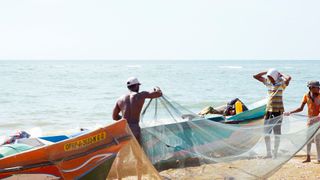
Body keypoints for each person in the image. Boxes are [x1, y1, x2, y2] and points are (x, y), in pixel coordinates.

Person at [253, 68, 291, 158]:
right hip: (268, 111)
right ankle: (269, 153)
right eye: (269, 77)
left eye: (271, 76)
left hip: (278, 111)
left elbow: (289, 78)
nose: (270, 78)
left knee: (277, 133)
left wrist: (280, 74)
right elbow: (255, 76)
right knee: (266, 133)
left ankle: (275, 153)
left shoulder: (281, 84)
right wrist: (267, 72)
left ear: (275, 76)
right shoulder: (268, 82)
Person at [112, 77, 162, 144]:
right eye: (138, 85)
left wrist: (124, 118)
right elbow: (159, 93)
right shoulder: (141, 95)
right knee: (137, 150)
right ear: (136, 85)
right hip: (134, 128)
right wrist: (157, 88)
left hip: (123, 128)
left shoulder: (120, 99)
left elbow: (114, 117)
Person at [284, 80, 320, 163]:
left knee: (317, 139)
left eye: (319, 87)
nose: (318, 88)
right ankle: (308, 158)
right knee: (308, 139)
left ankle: (319, 159)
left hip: (318, 120)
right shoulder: (306, 96)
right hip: (310, 120)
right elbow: (300, 108)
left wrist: (317, 117)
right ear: (311, 88)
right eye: (317, 87)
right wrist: (290, 112)